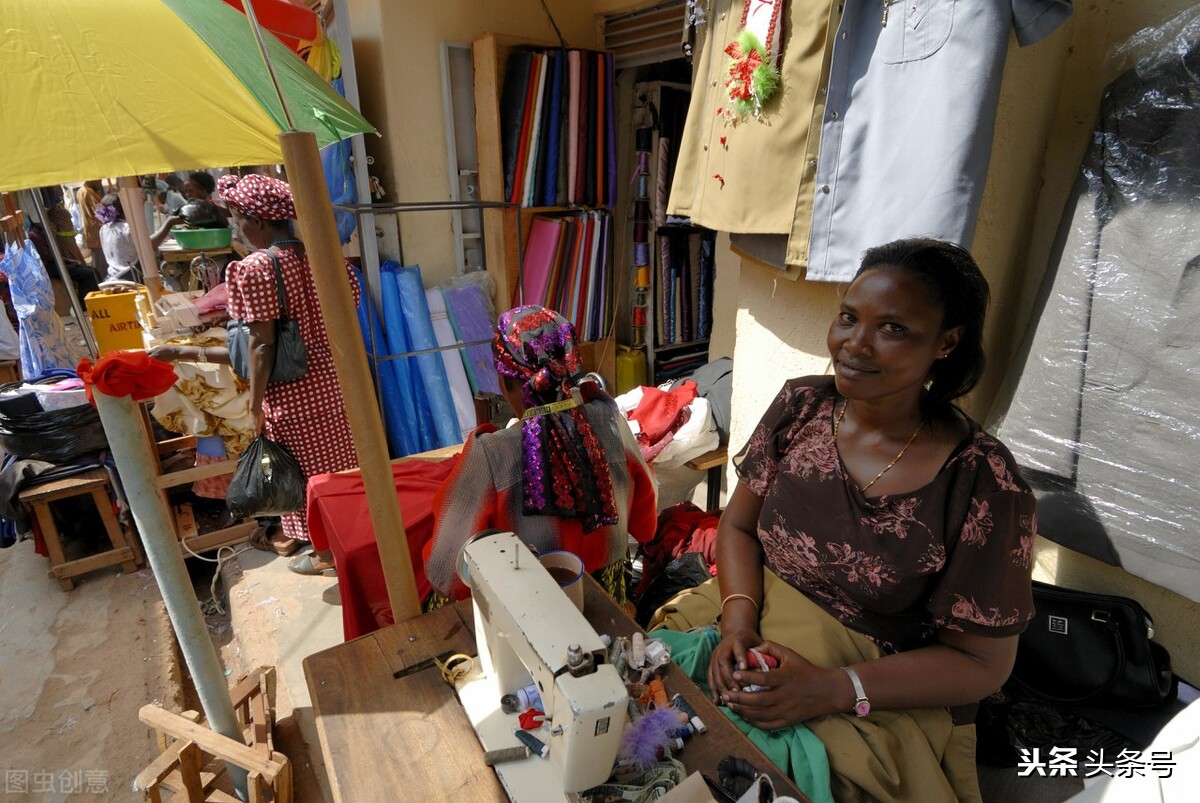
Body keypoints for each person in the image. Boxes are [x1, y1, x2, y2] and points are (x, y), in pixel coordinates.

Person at [650, 239, 1037, 803]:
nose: (855, 343)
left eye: (894, 328)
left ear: (946, 343)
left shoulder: (984, 486)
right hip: (749, 611)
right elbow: (736, 529)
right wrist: (737, 625)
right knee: (650, 711)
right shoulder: (801, 408)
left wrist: (833, 690)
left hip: (873, 676)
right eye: (849, 317)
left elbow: (981, 662)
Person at [423, 305, 658, 605]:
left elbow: (446, 571)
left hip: (529, 610)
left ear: (506, 383)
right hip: (606, 599)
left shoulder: (491, 454)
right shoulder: (610, 423)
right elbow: (645, 525)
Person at [217, 172, 361, 566]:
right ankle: (349, 543)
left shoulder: (258, 268)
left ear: (259, 220)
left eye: (238, 219)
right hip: (335, 387)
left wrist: (253, 405)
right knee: (340, 473)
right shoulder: (326, 259)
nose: (239, 228)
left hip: (293, 399)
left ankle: (328, 556)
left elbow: (262, 343)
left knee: (308, 481)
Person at [94, 194, 178, 282]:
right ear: (127, 209)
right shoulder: (127, 228)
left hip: (112, 276)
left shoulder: (104, 229)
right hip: (131, 277)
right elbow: (150, 246)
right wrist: (169, 223)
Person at [77, 181, 107, 277]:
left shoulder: (83, 191)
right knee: (103, 266)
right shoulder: (88, 191)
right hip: (98, 234)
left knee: (99, 264)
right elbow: (100, 212)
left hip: (93, 233)